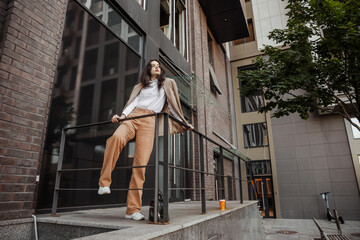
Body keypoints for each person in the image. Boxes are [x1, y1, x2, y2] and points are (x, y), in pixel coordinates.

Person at [98, 59, 193, 221]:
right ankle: (104, 183)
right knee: (116, 138)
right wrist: (122, 116)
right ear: (148, 69)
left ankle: (132, 210)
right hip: (133, 117)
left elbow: (173, 105)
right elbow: (132, 103)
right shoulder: (139, 86)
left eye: (158, 65)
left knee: (140, 165)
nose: (157, 67)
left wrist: (184, 123)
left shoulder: (167, 84)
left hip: (150, 121)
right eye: (153, 65)